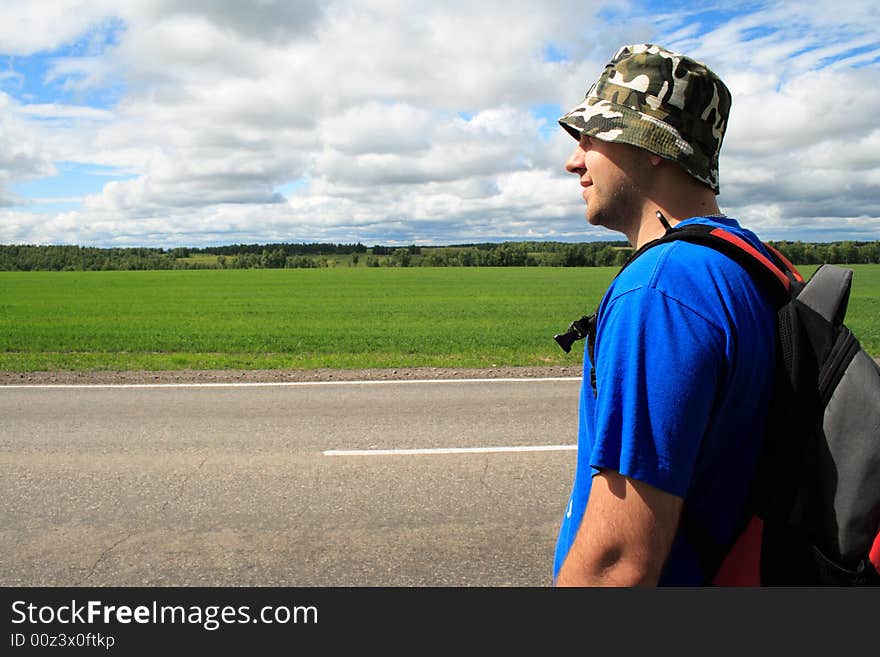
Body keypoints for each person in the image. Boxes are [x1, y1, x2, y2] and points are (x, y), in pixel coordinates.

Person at [552, 44, 777, 586]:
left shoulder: (662, 288)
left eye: (592, 136)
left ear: (652, 144)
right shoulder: (740, 263)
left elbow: (617, 564)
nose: (574, 160)